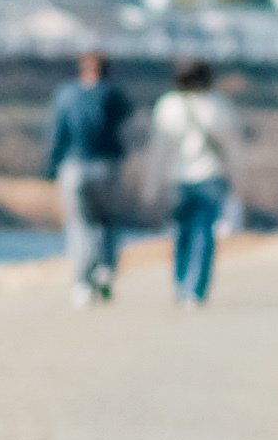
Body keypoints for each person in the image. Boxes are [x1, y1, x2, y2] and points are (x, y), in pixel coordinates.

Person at [43, 50, 131, 302]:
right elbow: (125, 116)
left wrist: (50, 167)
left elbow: (58, 132)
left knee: (80, 226)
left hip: (73, 168)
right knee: (109, 223)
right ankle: (105, 268)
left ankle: (82, 283)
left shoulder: (66, 94)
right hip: (108, 167)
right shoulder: (113, 94)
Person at [150, 55, 236, 302]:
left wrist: (152, 184)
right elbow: (233, 148)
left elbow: (159, 148)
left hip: (178, 179)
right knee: (204, 234)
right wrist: (238, 184)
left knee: (182, 233)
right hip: (211, 177)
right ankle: (195, 290)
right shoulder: (218, 105)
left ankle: (180, 284)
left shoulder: (169, 105)